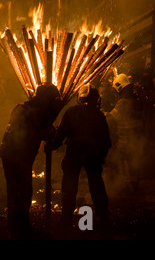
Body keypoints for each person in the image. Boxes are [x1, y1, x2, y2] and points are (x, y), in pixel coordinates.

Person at [0, 83, 63, 238]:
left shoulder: (24, 107)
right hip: (17, 156)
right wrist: (52, 128)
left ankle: (15, 226)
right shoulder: (34, 112)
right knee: (22, 191)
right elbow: (45, 134)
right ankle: (19, 229)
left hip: (10, 154)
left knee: (17, 191)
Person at [48, 84, 111, 227]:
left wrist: (51, 145)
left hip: (74, 153)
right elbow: (106, 142)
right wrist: (101, 157)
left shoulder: (71, 112)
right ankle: (103, 217)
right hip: (92, 155)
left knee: (69, 186)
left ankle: (66, 218)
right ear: (96, 99)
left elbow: (60, 136)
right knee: (96, 185)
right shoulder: (99, 115)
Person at [106, 73, 145, 192]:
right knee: (134, 160)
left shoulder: (123, 101)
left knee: (125, 160)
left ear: (119, 87)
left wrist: (103, 115)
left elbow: (113, 117)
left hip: (126, 137)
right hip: (137, 136)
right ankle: (134, 184)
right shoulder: (136, 97)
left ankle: (128, 186)